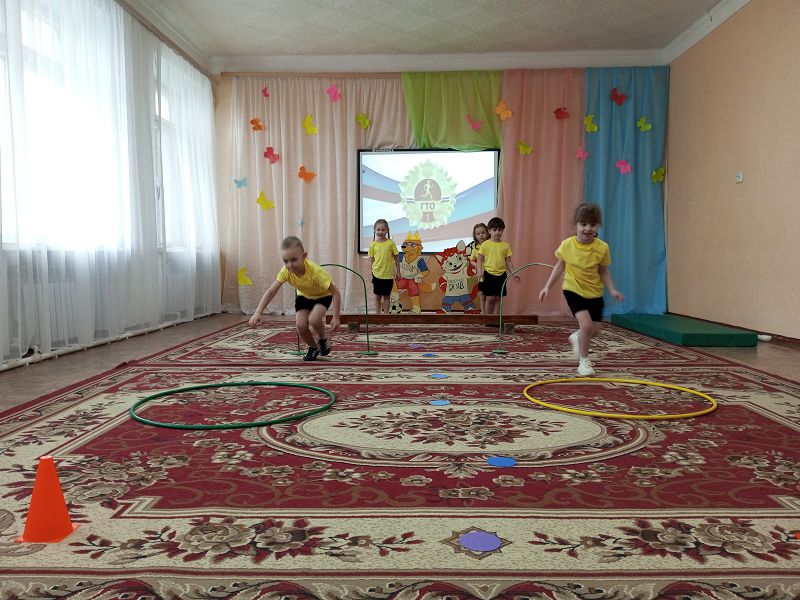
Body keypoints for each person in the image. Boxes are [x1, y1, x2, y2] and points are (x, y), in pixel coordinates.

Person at [538, 202, 624, 376]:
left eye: (592, 224)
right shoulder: (567, 245)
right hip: (573, 289)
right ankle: (584, 362)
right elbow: (559, 267)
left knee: (595, 329)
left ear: (597, 225)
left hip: (595, 292)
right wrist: (547, 287)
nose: (588, 228)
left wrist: (613, 289)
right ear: (575, 225)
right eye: (583, 224)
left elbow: (603, 270)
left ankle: (577, 337)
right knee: (586, 325)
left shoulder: (602, 248)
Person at [248, 236, 341, 361]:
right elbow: (271, 291)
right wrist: (258, 312)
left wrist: (336, 317)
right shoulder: (285, 272)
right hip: (303, 296)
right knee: (301, 326)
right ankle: (313, 347)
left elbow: (336, 292)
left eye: (294, 260)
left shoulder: (316, 272)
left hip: (322, 296)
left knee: (314, 319)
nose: (290, 265)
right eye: (285, 261)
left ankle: (323, 339)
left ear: (304, 256)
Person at [476, 217, 519, 315]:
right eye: (494, 230)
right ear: (489, 231)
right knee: (490, 298)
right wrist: (479, 271)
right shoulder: (485, 244)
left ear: (503, 230)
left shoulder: (505, 245)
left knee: (498, 299)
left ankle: (495, 318)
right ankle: (488, 318)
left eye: (500, 230)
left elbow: (508, 262)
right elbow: (480, 259)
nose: (497, 232)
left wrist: (514, 273)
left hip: (501, 275)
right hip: (488, 274)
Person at [367, 219, 400, 314]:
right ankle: (378, 316)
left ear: (387, 230)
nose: (380, 232)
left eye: (383, 230)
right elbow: (372, 260)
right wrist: (371, 274)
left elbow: (396, 258)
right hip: (376, 275)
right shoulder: (373, 245)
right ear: (375, 230)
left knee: (386, 296)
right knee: (377, 296)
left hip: (388, 275)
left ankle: (385, 316)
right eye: (378, 229)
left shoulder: (391, 243)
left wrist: (398, 271)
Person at [468, 223, 489, 312]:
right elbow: (471, 260)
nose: (481, 235)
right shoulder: (476, 248)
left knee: (490, 296)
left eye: (483, 233)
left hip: (491, 273)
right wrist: (477, 265)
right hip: (481, 275)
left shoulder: (490, 245)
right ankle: (483, 312)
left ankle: (490, 314)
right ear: (475, 236)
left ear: (487, 233)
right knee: (482, 295)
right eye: (478, 234)